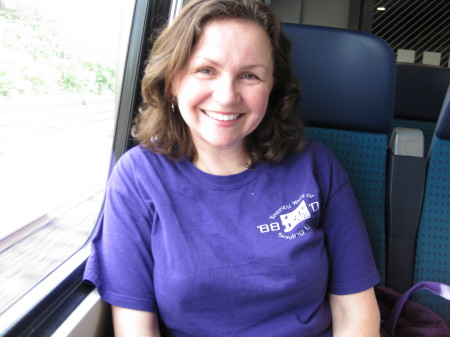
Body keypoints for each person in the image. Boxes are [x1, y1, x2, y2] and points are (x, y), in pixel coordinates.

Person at [83, 0, 381, 336]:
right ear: (173, 82)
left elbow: (355, 309)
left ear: (273, 88)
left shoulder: (317, 166)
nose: (226, 96)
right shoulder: (137, 177)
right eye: (206, 70)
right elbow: (136, 327)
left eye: (250, 75)